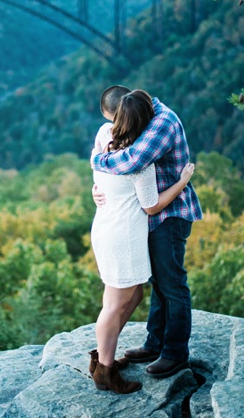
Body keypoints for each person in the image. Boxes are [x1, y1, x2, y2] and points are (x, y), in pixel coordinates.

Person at [92, 85, 202, 380]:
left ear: (127, 114)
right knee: (159, 283)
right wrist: (98, 187)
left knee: (173, 285)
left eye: (115, 120)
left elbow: (131, 163)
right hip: (150, 214)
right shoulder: (144, 115)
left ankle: (175, 354)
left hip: (169, 213)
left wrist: (97, 162)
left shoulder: (160, 125)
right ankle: (155, 344)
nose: (114, 128)